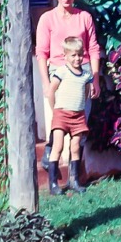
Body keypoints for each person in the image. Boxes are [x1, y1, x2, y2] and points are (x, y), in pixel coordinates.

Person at [36, 0, 101, 189]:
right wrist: (46, 84)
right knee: (59, 124)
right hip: (58, 74)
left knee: (79, 127)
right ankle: (51, 163)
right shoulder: (47, 19)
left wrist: (95, 79)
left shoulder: (84, 17)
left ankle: (75, 178)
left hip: (82, 75)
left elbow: (93, 48)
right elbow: (41, 53)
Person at [46, 36, 94, 195]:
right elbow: (51, 91)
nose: (77, 58)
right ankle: (53, 183)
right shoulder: (62, 72)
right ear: (65, 56)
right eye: (73, 55)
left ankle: (74, 180)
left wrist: (80, 107)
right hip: (61, 114)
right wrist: (55, 110)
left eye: (80, 54)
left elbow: (86, 92)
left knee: (75, 148)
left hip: (78, 116)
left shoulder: (86, 75)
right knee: (57, 147)